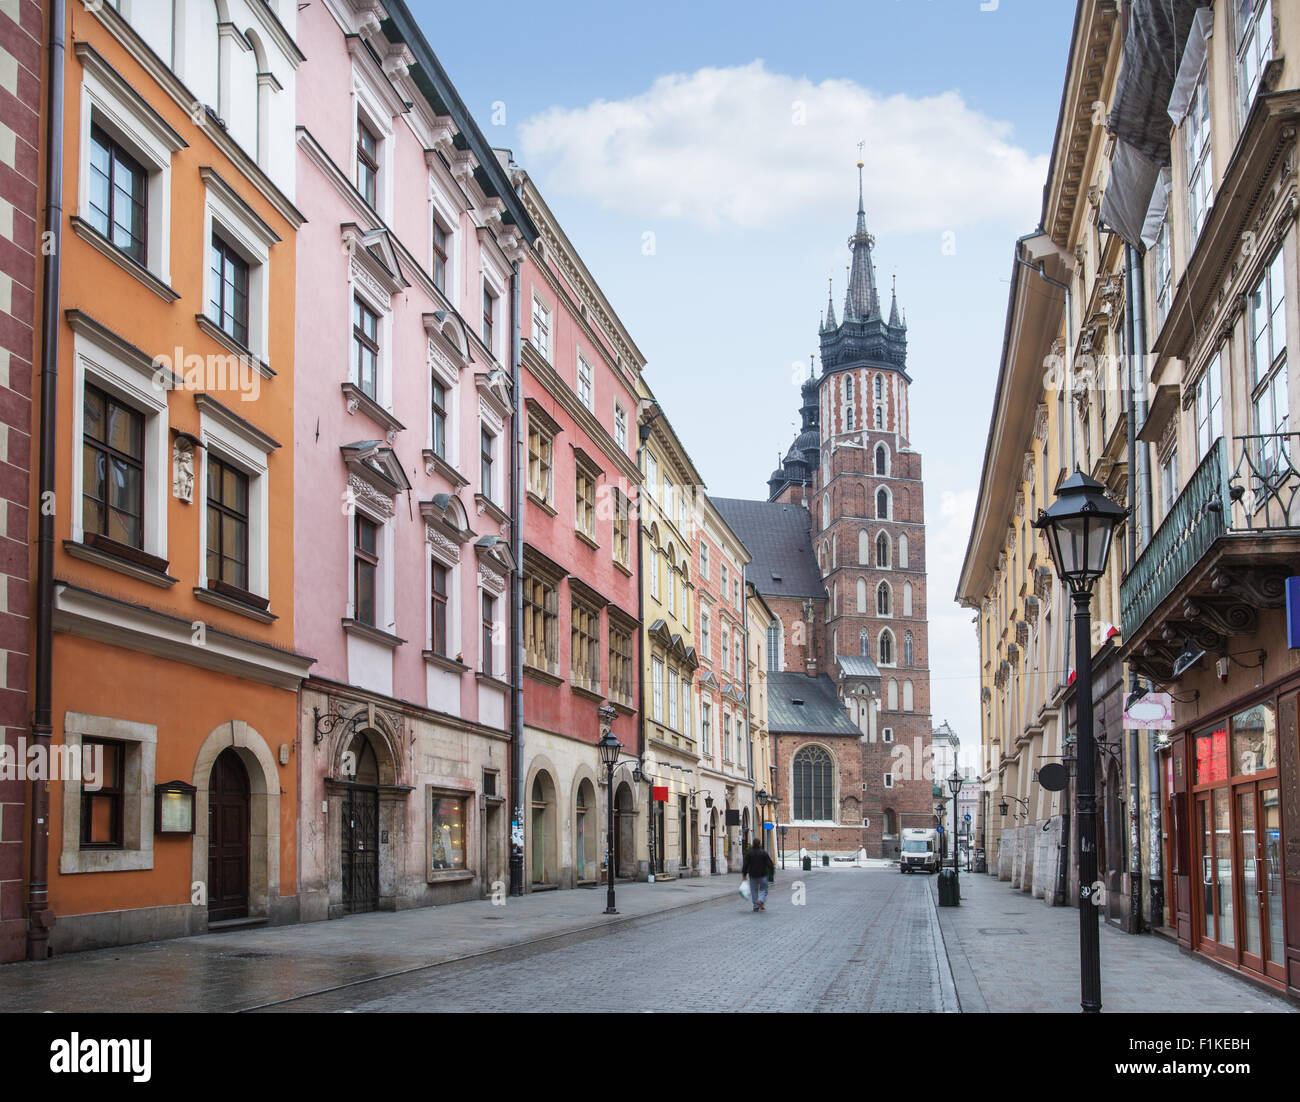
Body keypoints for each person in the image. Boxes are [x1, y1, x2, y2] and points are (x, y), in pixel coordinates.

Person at [741, 839, 775, 912]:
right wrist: (772, 873)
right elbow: (770, 864)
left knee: (754, 890)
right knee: (764, 889)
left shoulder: (749, 853)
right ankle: (760, 900)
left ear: (753, 844)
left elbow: (745, 864)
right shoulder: (764, 853)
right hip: (763, 874)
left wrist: (744, 875)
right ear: (759, 844)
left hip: (752, 875)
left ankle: (755, 906)